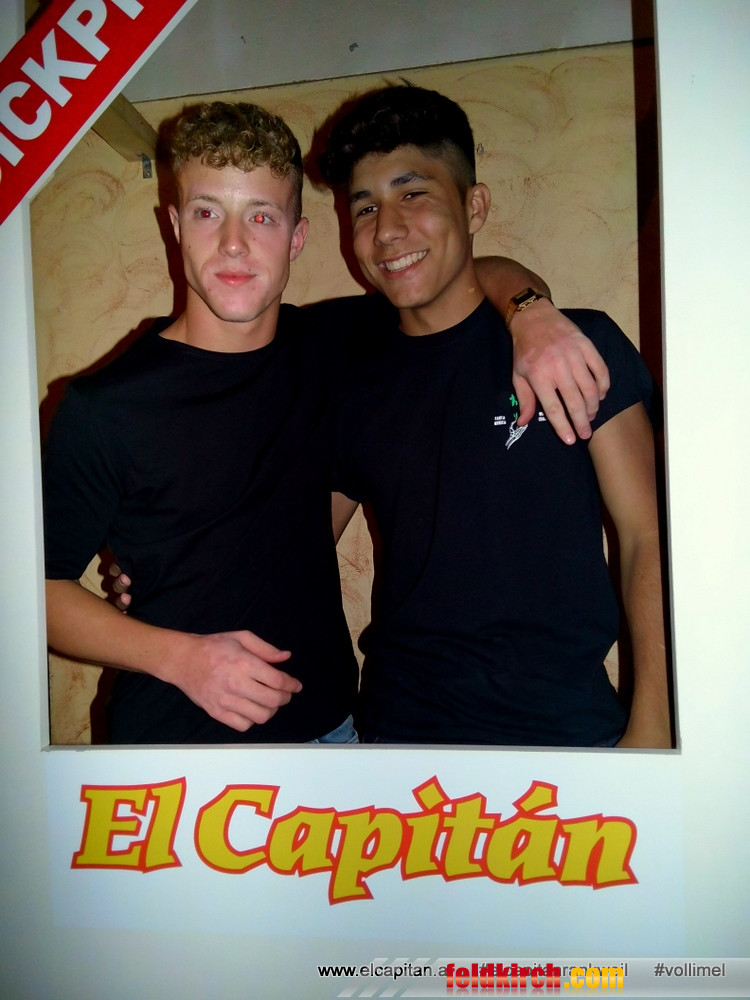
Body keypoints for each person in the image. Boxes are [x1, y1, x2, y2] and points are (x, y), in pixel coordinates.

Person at [42, 100, 610, 745]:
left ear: (297, 238)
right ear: (174, 225)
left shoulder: (337, 344)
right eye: (207, 212)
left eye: (261, 216)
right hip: (176, 750)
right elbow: (33, 592)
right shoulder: (104, 407)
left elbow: (457, 274)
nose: (233, 243)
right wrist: (178, 657)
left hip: (334, 738)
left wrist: (529, 309)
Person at [319, 84, 671, 748]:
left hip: (566, 736)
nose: (385, 229)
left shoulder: (576, 347)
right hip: (397, 741)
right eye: (364, 207)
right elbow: (293, 548)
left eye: (412, 193)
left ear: (474, 205)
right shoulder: (354, 386)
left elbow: (646, 538)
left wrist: (653, 723)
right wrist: (163, 564)